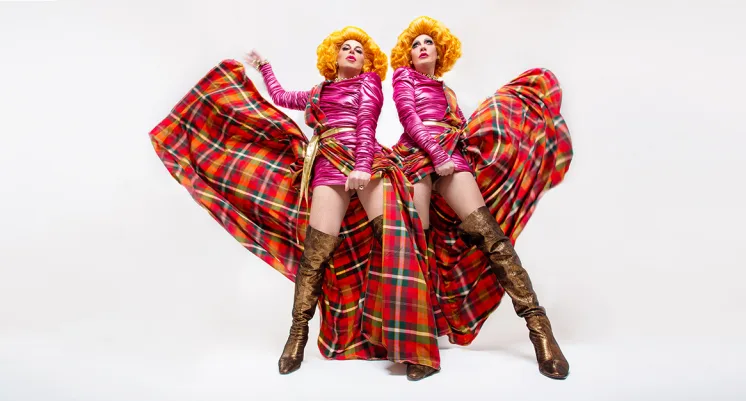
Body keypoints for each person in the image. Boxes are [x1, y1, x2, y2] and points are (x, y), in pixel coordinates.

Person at [150, 26, 439, 380]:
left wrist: (363, 166)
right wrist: (265, 67)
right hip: (328, 161)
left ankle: (415, 344)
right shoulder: (319, 92)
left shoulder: (369, 84)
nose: (352, 52)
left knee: (395, 241)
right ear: (333, 56)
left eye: (359, 50)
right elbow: (281, 96)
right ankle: (297, 335)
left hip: (366, 160)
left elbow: (366, 125)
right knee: (315, 253)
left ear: (367, 61)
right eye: (345, 48)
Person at [388, 16, 573, 380]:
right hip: (414, 159)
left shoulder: (447, 92)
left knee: (492, 238)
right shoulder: (403, 78)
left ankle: (540, 331)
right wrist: (436, 154)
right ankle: (419, 346)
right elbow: (409, 118)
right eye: (415, 44)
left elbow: (458, 127)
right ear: (408, 55)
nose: (422, 48)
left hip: (449, 157)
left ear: (440, 51)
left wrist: (474, 141)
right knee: (416, 250)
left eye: (428, 43)